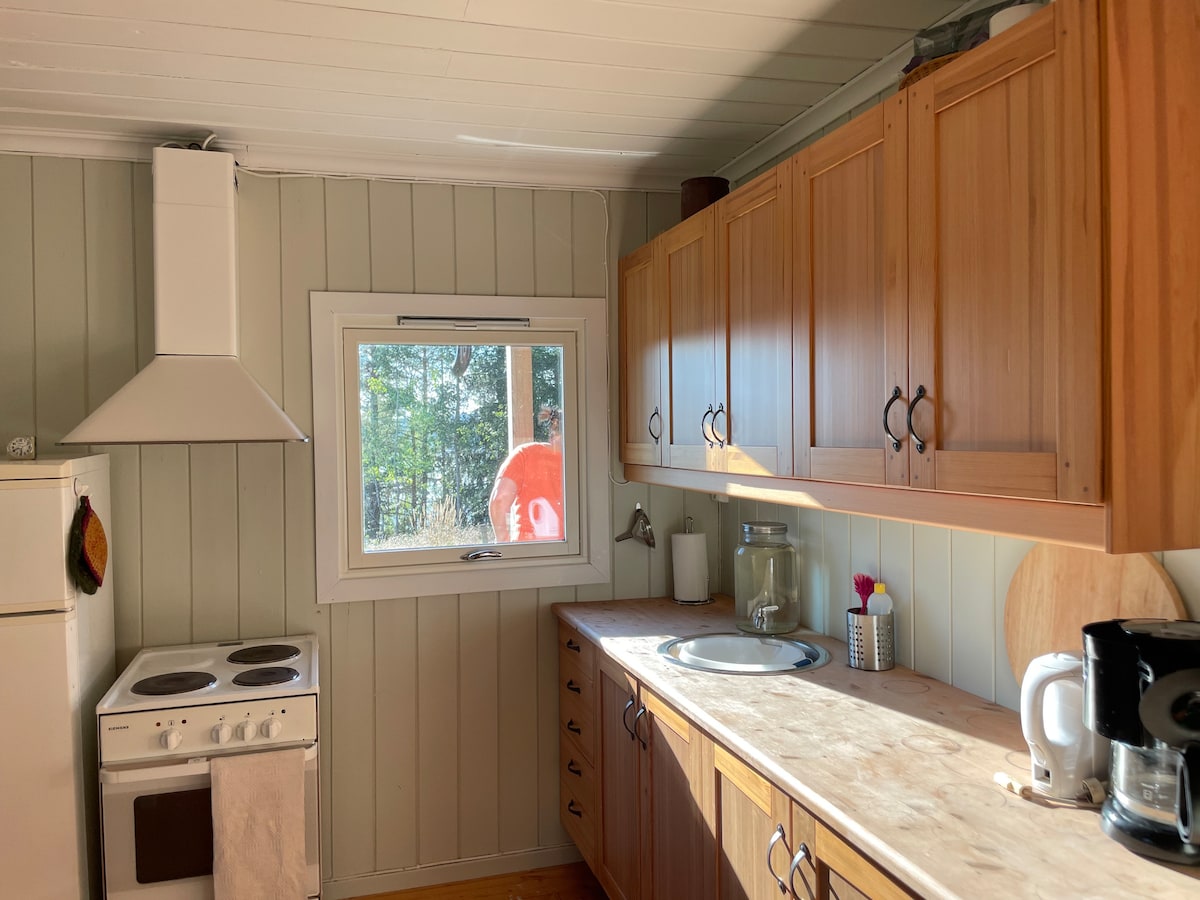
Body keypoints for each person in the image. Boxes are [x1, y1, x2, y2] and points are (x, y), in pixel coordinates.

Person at [488, 407, 564, 542]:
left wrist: (502, 541)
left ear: (552, 433)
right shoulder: (584, 465)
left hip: (527, 549)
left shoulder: (525, 454)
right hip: (573, 550)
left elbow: (500, 499)